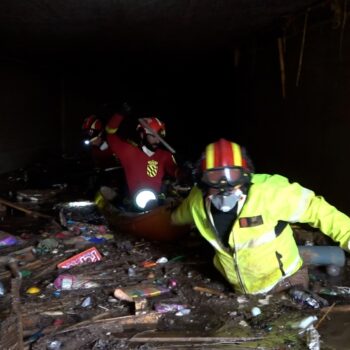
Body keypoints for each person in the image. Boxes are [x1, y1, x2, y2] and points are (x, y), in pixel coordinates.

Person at [171, 138, 350, 295]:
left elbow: (321, 212)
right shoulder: (196, 201)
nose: (224, 187)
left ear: (246, 175)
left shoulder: (271, 193)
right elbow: (176, 218)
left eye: (232, 176)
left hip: (285, 281)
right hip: (242, 289)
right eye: (214, 178)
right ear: (202, 181)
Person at [106, 113, 181, 210]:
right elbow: (110, 135)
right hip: (135, 203)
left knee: (173, 201)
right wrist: (120, 114)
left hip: (158, 201)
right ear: (142, 134)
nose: (157, 141)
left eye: (159, 138)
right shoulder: (128, 151)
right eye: (153, 136)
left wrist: (182, 173)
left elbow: (173, 169)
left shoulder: (165, 155)